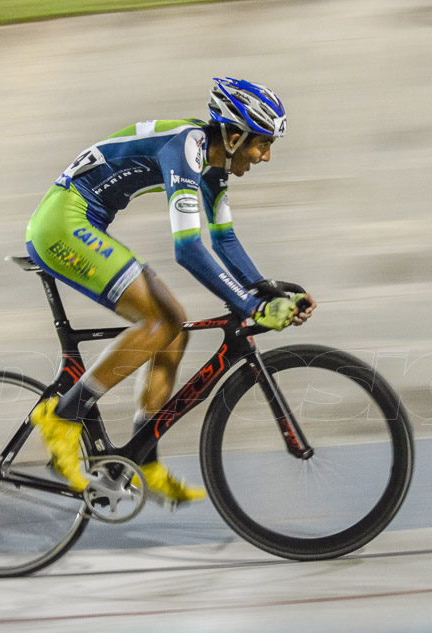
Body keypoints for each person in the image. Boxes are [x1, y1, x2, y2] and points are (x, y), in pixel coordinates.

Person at [25, 77, 315, 503]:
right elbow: (188, 249)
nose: (266, 156)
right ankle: (62, 417)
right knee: (159, 323)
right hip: (62, 225)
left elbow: (224, 240)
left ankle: (142, 457)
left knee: (176, 327)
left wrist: (264, 290)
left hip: (84, 222)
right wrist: (250, 305)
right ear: (234, 136)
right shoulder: (187, 148)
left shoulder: (214, 162)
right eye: (262, 144)